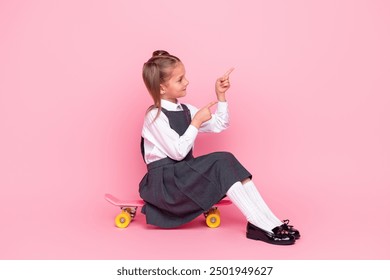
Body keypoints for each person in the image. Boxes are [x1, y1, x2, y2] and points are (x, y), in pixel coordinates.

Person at [138, 50, 300, 245]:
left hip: (182, 177)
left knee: (226, 160)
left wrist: (221, 96)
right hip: (166, 185)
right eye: (180, 79)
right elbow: (178, 153)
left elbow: (219, 124)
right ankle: (258, 223)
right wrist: (196, 122)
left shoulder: (187, 110)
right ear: (162, 88)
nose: (187, 82)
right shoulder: (154, 116)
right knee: (222, 160)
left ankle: (271, 222)